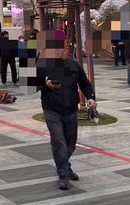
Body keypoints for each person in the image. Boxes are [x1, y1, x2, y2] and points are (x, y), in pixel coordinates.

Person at [35, 30, 97, 190]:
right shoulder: (43, 65)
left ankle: (66, 167)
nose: (59, 52)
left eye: (61, 48)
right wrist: (45, 84)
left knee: (71, 143)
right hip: (51, 110)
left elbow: (85, 84)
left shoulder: (73, 65)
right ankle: (63, 174)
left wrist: (91, 97)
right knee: (59, 142)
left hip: (70, 110)